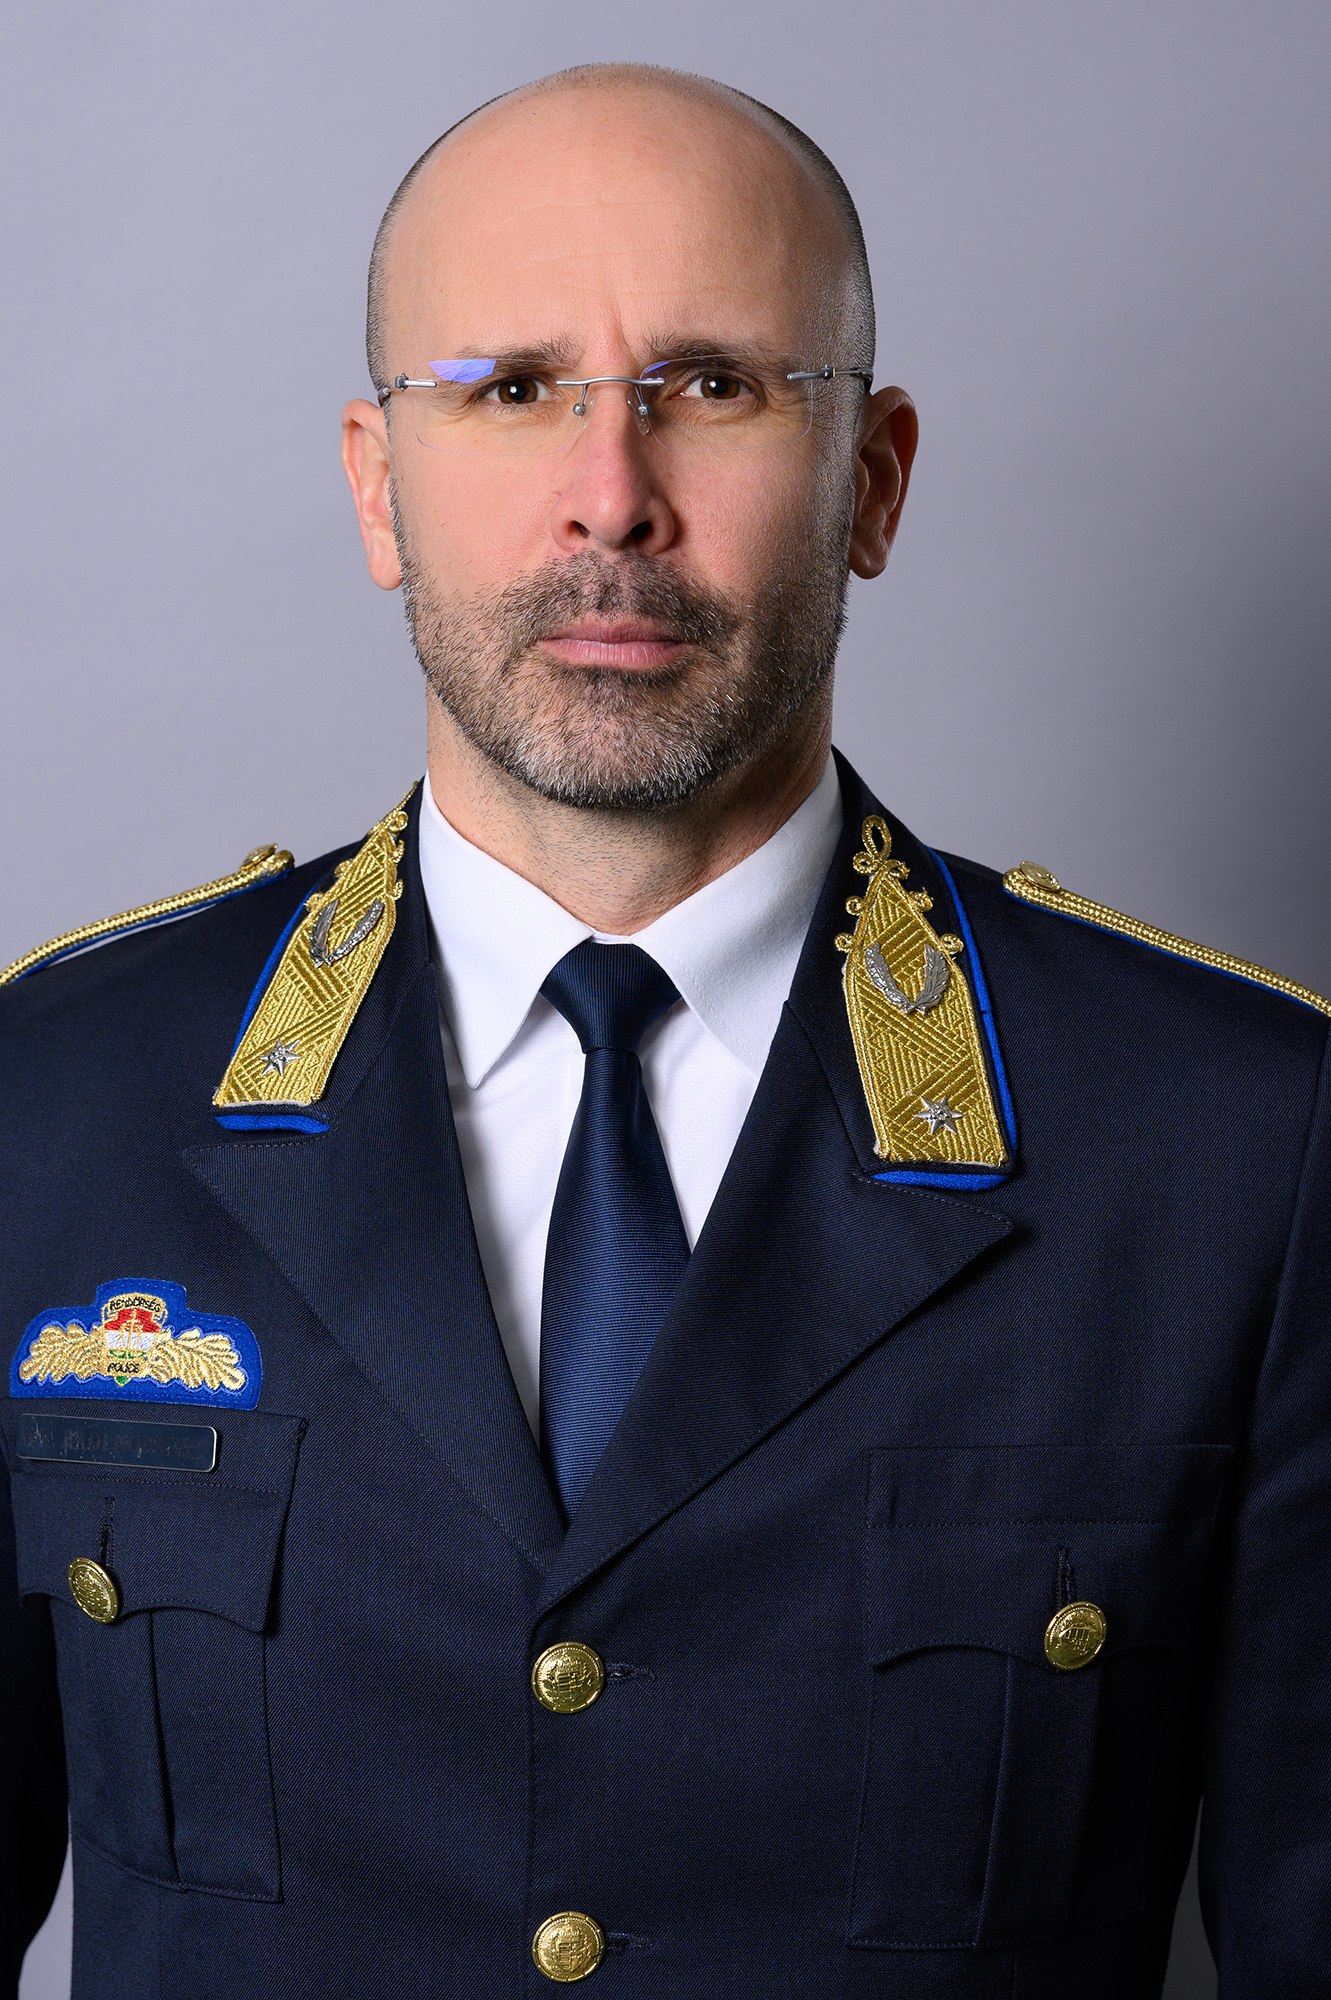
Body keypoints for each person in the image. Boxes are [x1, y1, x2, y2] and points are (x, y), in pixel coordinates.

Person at [2, 62, 1328, 2000]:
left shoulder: (1240, 1149)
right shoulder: (51, 1104)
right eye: (511, 386)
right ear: (377, 486)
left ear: (872, 481)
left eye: (712, 383)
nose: (611, 495)